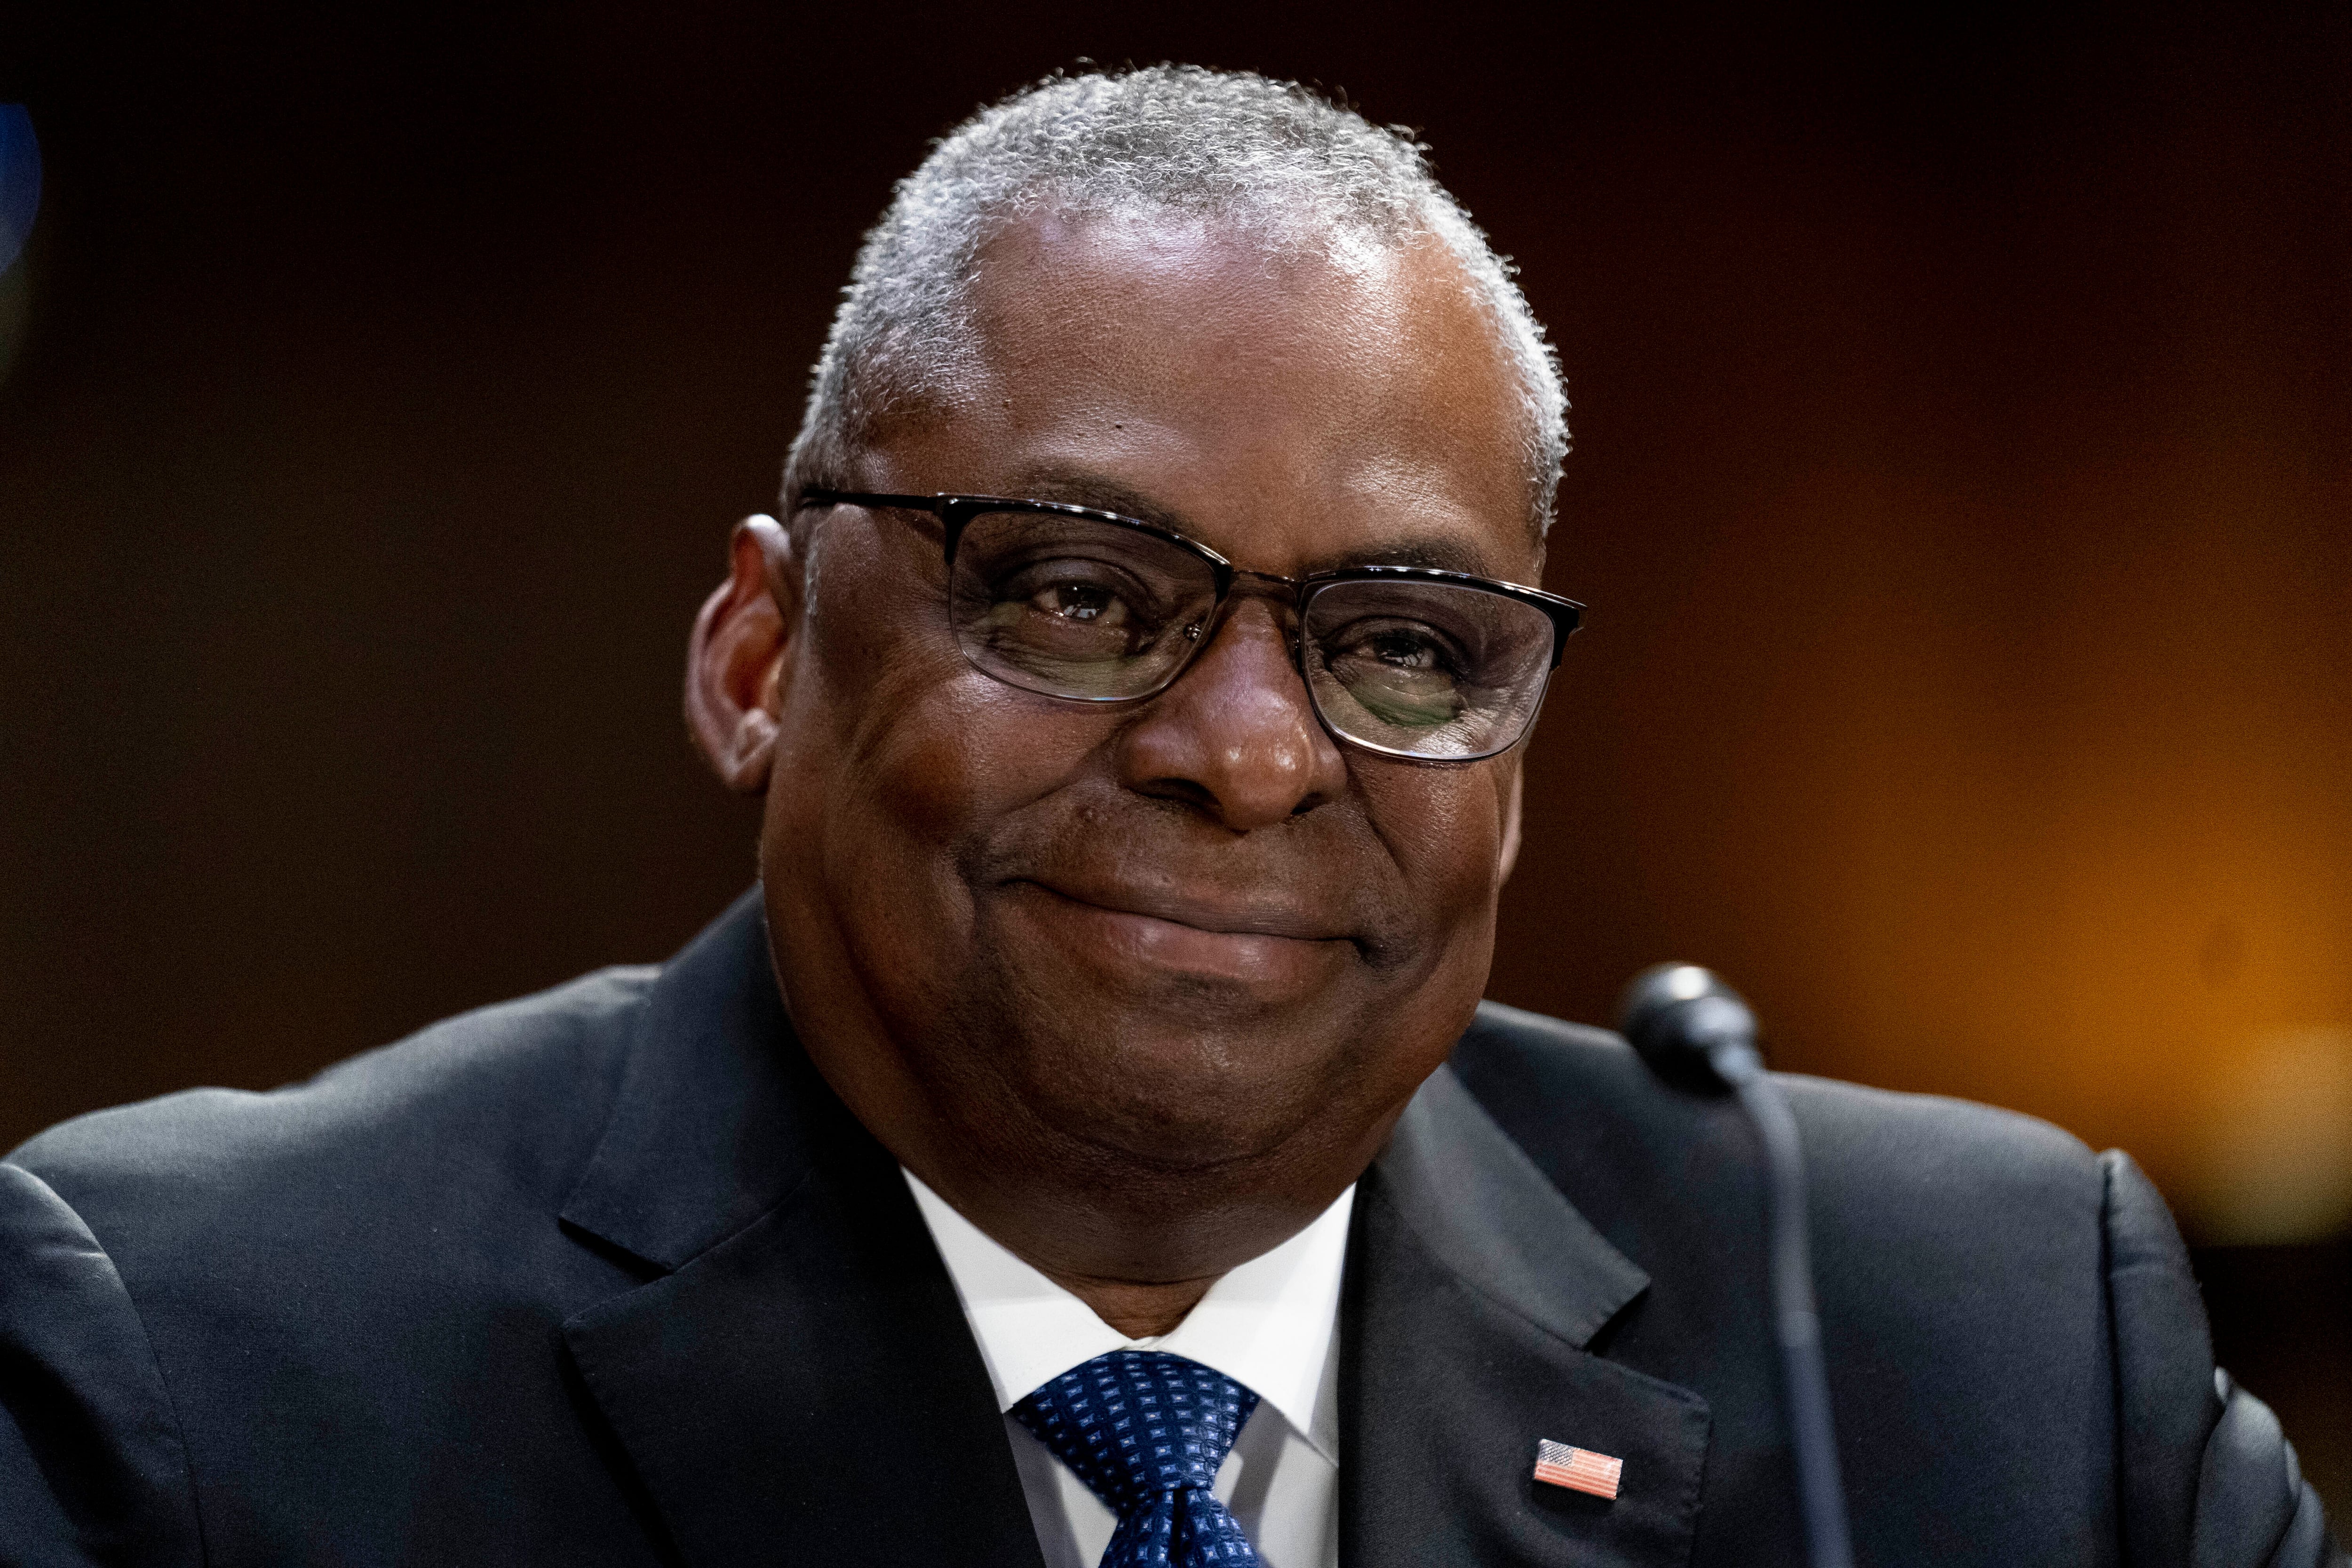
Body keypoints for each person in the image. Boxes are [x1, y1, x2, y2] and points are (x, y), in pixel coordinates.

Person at [0, 65, 2335, 1568]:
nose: (1249, 747)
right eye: (1079, 596)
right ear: (753, 659)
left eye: (1405, 641)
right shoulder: (197, 1370)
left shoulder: (1988, 1352)